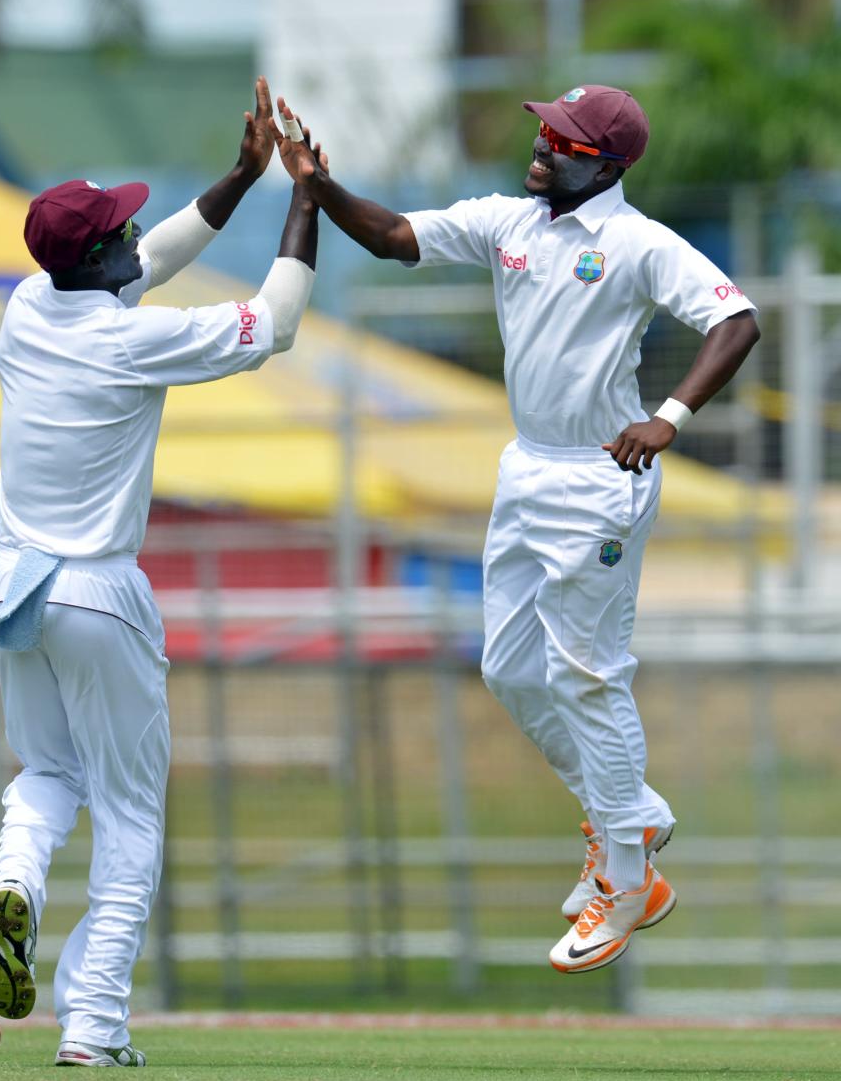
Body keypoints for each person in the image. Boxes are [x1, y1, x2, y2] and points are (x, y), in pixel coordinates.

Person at [270, 85, 760, 973]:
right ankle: (630, 816)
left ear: (605, 164)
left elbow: (737, 319)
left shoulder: (636, 243)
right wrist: (316, 185)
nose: (542, 144)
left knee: (588, 677)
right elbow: (395, 237)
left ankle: (628, 876)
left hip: (601, 477)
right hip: (527, 468)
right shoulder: (510, 220)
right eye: (544, 128)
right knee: (507, 666)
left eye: (564, 140)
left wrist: (671, 417)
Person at [0, 78, 323, 1065]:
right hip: (97, 592)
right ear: (98, 260)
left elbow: (148, 257)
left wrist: (239, 176)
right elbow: (275, 324)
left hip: (13, 589)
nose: (139, 238)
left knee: (46, 772)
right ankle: (93, 1026)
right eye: (120, 231)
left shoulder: (30, 312)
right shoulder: (133, 340)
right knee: (131, 815)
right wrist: (303, 195)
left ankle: (18, 885)